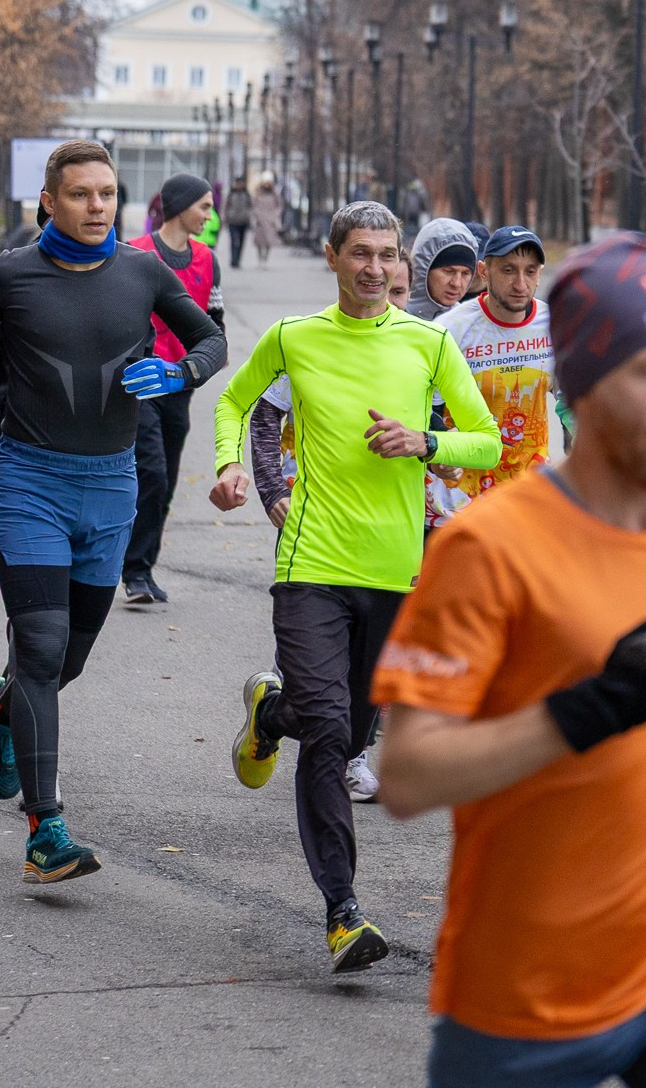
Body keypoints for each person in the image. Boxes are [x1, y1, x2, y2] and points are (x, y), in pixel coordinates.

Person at [373, 232, 646, 1087]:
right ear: (581, 388)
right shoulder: (488, 549)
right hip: (529, 985)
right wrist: (579, 712)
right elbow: (407, 774)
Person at [209, 201, 501, 972]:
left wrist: (427, 440)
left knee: (334, 718)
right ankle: (342, 909)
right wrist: (229, 465)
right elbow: (236, 401)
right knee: (334, 738)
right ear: (334, 257)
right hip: (311, 562)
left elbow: (489, 439)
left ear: (400, 263)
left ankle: (270, 712)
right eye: (360, 253)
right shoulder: (292, 338)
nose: (375, 267)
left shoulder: (429, 342)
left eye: (387, 254)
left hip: (396, 571)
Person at [0, 140, 225, 884]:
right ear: (49, 200)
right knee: (39, 644)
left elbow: (210, 337)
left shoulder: (141, 271)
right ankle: (47, 829)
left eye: (106, 193)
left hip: (112, 484)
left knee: (67, 659)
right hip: (29, 475)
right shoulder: (8, 274)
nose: (97, 205)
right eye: (81, 194)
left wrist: (181, 370)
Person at [124, 171, 228, 604]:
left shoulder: (207, 259)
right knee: (149, 469)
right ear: (181, 206)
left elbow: (215, 323)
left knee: (164, 479)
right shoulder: (136, 253)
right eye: (203, 206)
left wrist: (202, 363)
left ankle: (142, 567)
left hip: (181, 384)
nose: (209, 214)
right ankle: (128, 569)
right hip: (139, 383)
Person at [431, 226, 561, 501]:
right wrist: (439, 450)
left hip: (527, 496)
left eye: (530, 271)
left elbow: (573, 402)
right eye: (508, 270)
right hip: (458, 500)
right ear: (483, 272)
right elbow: (425, 408)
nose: (520, 284)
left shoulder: (554, 325)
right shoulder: (450, 329)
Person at [407, 217, 479, 319]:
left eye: (465, 273)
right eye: (448, 271)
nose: (456, 283)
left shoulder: (468, 323)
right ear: (423, 269)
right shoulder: (393, 317)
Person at [251, 174, 282, 265]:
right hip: (260, 220)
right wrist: (256, 214)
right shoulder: (258, 194)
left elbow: (279, 206)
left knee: (269, 241)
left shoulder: (274, 195)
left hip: (270, 220)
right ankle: (260, 257)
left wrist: (275, 215)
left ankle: (266, 257)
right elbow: (254, 206)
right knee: (259, 241)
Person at [224, 176, 254, 268]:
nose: (239, 185)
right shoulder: (231, 194)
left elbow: (251, 207)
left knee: (241, 242)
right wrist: (226, 218)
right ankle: (233, 259)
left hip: (243, 221)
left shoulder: (247, 195)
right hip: (233, 221)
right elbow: (226, 207)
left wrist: (249, 217)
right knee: (233, 241)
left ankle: (238, 259)